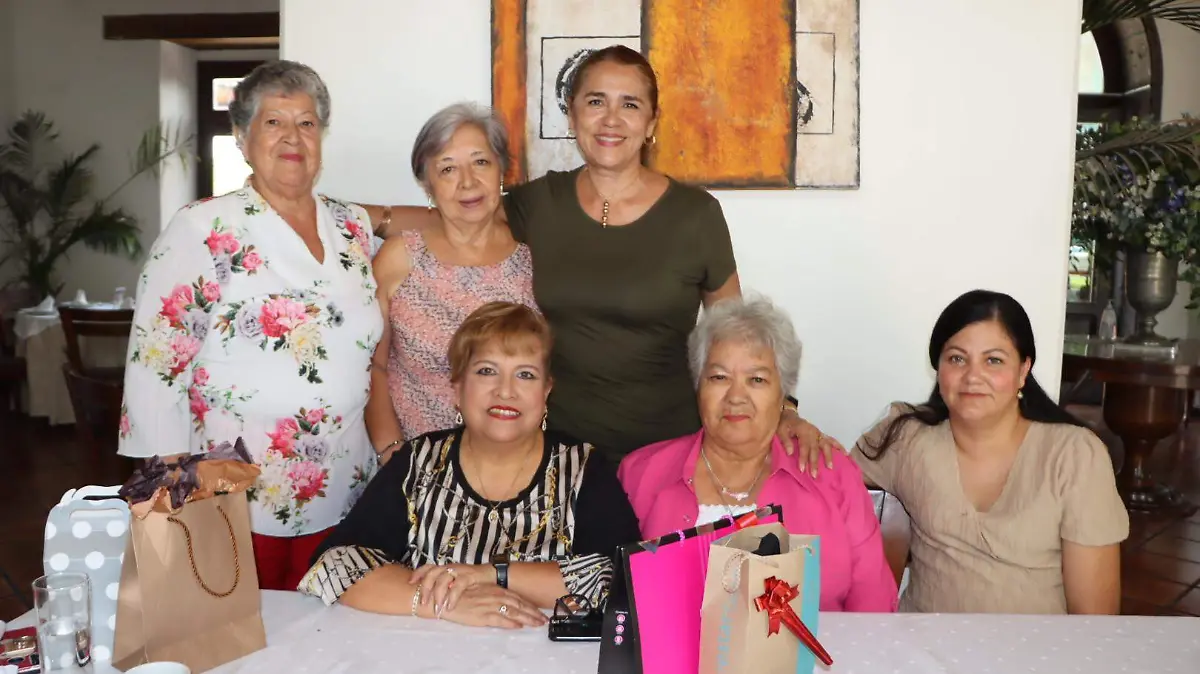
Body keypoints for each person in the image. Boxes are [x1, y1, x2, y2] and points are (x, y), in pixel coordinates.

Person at [366, 46, 838, 463]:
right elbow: (465, 209)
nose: (611, 120)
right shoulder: (540, 204)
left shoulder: (695, 215)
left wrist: (785, 411)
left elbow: (738, 335)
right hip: (560, 455)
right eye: (596, 102)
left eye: (629, 105)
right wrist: (347, 216)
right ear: (572, 116)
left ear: (651, 122)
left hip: (669, 450)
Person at [118, 60, 382, 592]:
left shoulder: (351, 223)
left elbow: (414, 225)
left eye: (307, 123)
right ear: (241, 137)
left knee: (332, 639)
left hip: (345, 478)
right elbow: (156, 364)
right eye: (273, 122)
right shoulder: (204, 226)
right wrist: (172, 482)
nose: (293, 137)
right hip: (234, 485)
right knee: (241, 642)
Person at [299, 302, 641, 628]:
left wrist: (492, 575)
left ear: (546, 392)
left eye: (525, 374)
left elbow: (626, 580)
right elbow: (336, 565)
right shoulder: (420, 461)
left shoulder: (583, 466)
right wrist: (445, 603)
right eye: (486, 371)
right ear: (458, 388)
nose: (505, 391)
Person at [815, 290, 1128, 614]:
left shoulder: (1073, 455)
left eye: (993, 360)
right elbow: (820, 479)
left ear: (1023, 370)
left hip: (1034, 657)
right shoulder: (907, 438)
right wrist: (787, 415)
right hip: (922, 653)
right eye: (957, 359)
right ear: (939, 367)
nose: (973, 376)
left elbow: (1095, 619)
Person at [619, 296, 898, 612]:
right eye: (719, 377)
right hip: (671, 661)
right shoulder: (640, 474)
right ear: (698, 387)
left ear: (782, 393)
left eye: (757, 380)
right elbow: (614, 601)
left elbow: (874, 608)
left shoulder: (831, 474)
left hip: (815, 659)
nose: (736, 396)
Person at [366, 103, 536, 462]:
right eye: (447, 169)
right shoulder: (399, 258)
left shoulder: (532, 257)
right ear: (428, 186)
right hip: (415, 463)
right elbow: (373, 367)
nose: (468, 182)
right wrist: (392, 453)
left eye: (480, 162)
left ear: (501, 170)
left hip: (513, 465)